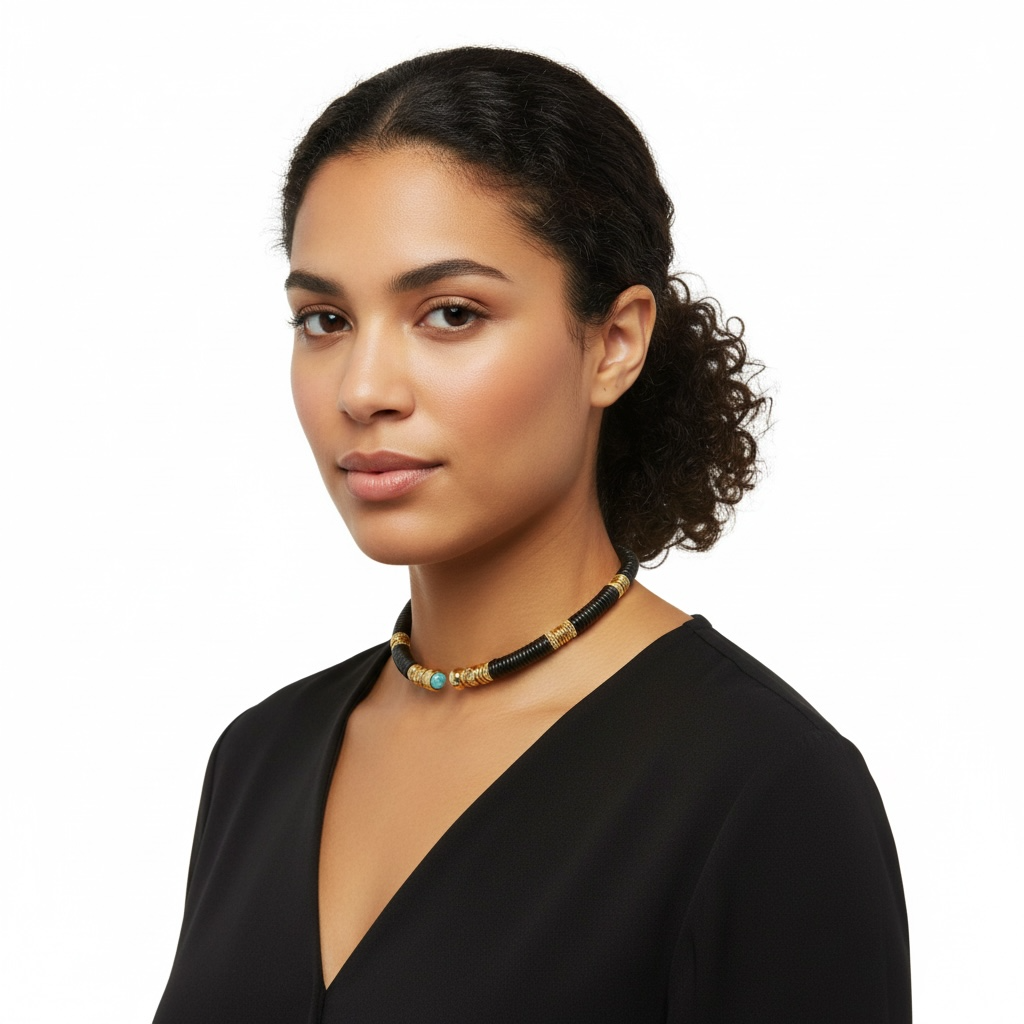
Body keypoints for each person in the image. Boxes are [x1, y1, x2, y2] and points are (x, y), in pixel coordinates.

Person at [153, 47, 911, 1023]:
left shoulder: (764, 789)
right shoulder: (260, 758)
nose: (363, 389)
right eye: (325, 319)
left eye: (450, 313)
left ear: (614, 343)